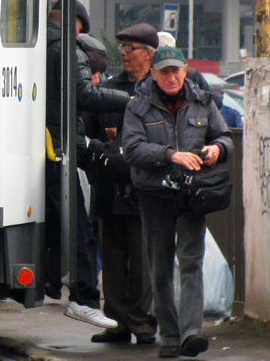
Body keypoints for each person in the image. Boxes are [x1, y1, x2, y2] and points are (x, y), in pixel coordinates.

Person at [122, 46, 234, 359]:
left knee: (191, 262)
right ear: (153, 74)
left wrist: (217, 149)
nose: (171, 77)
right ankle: (170, 336)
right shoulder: (137, 106)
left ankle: (190, 333)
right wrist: (170, 155)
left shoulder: (203, 100)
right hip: (155, 195)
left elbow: (224, 136)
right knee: (159, 268)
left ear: (185, 70)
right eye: (164, 72)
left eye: (176, 71)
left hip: (192, 194)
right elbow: (131, 149)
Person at [44, 0, 128, 330]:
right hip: (59, 150)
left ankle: (52, 281)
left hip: (37, 148)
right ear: (77, 24)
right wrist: (129, 101)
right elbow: (84, 94)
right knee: (79, 228)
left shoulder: (34, 44)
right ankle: (85, 299)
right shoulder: (67, 46)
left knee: (53, 222)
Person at [85, 22, 159, 345]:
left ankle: (143, 323)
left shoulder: (157, 91)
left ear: (148, 54)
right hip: (110, 188)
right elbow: (87, 130)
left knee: (142, 260)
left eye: (130, 48)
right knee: (113, 259)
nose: (124, 53)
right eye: (122, 48)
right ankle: (116, 322)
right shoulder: (108, 90)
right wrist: (102, 146)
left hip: (144, 189)